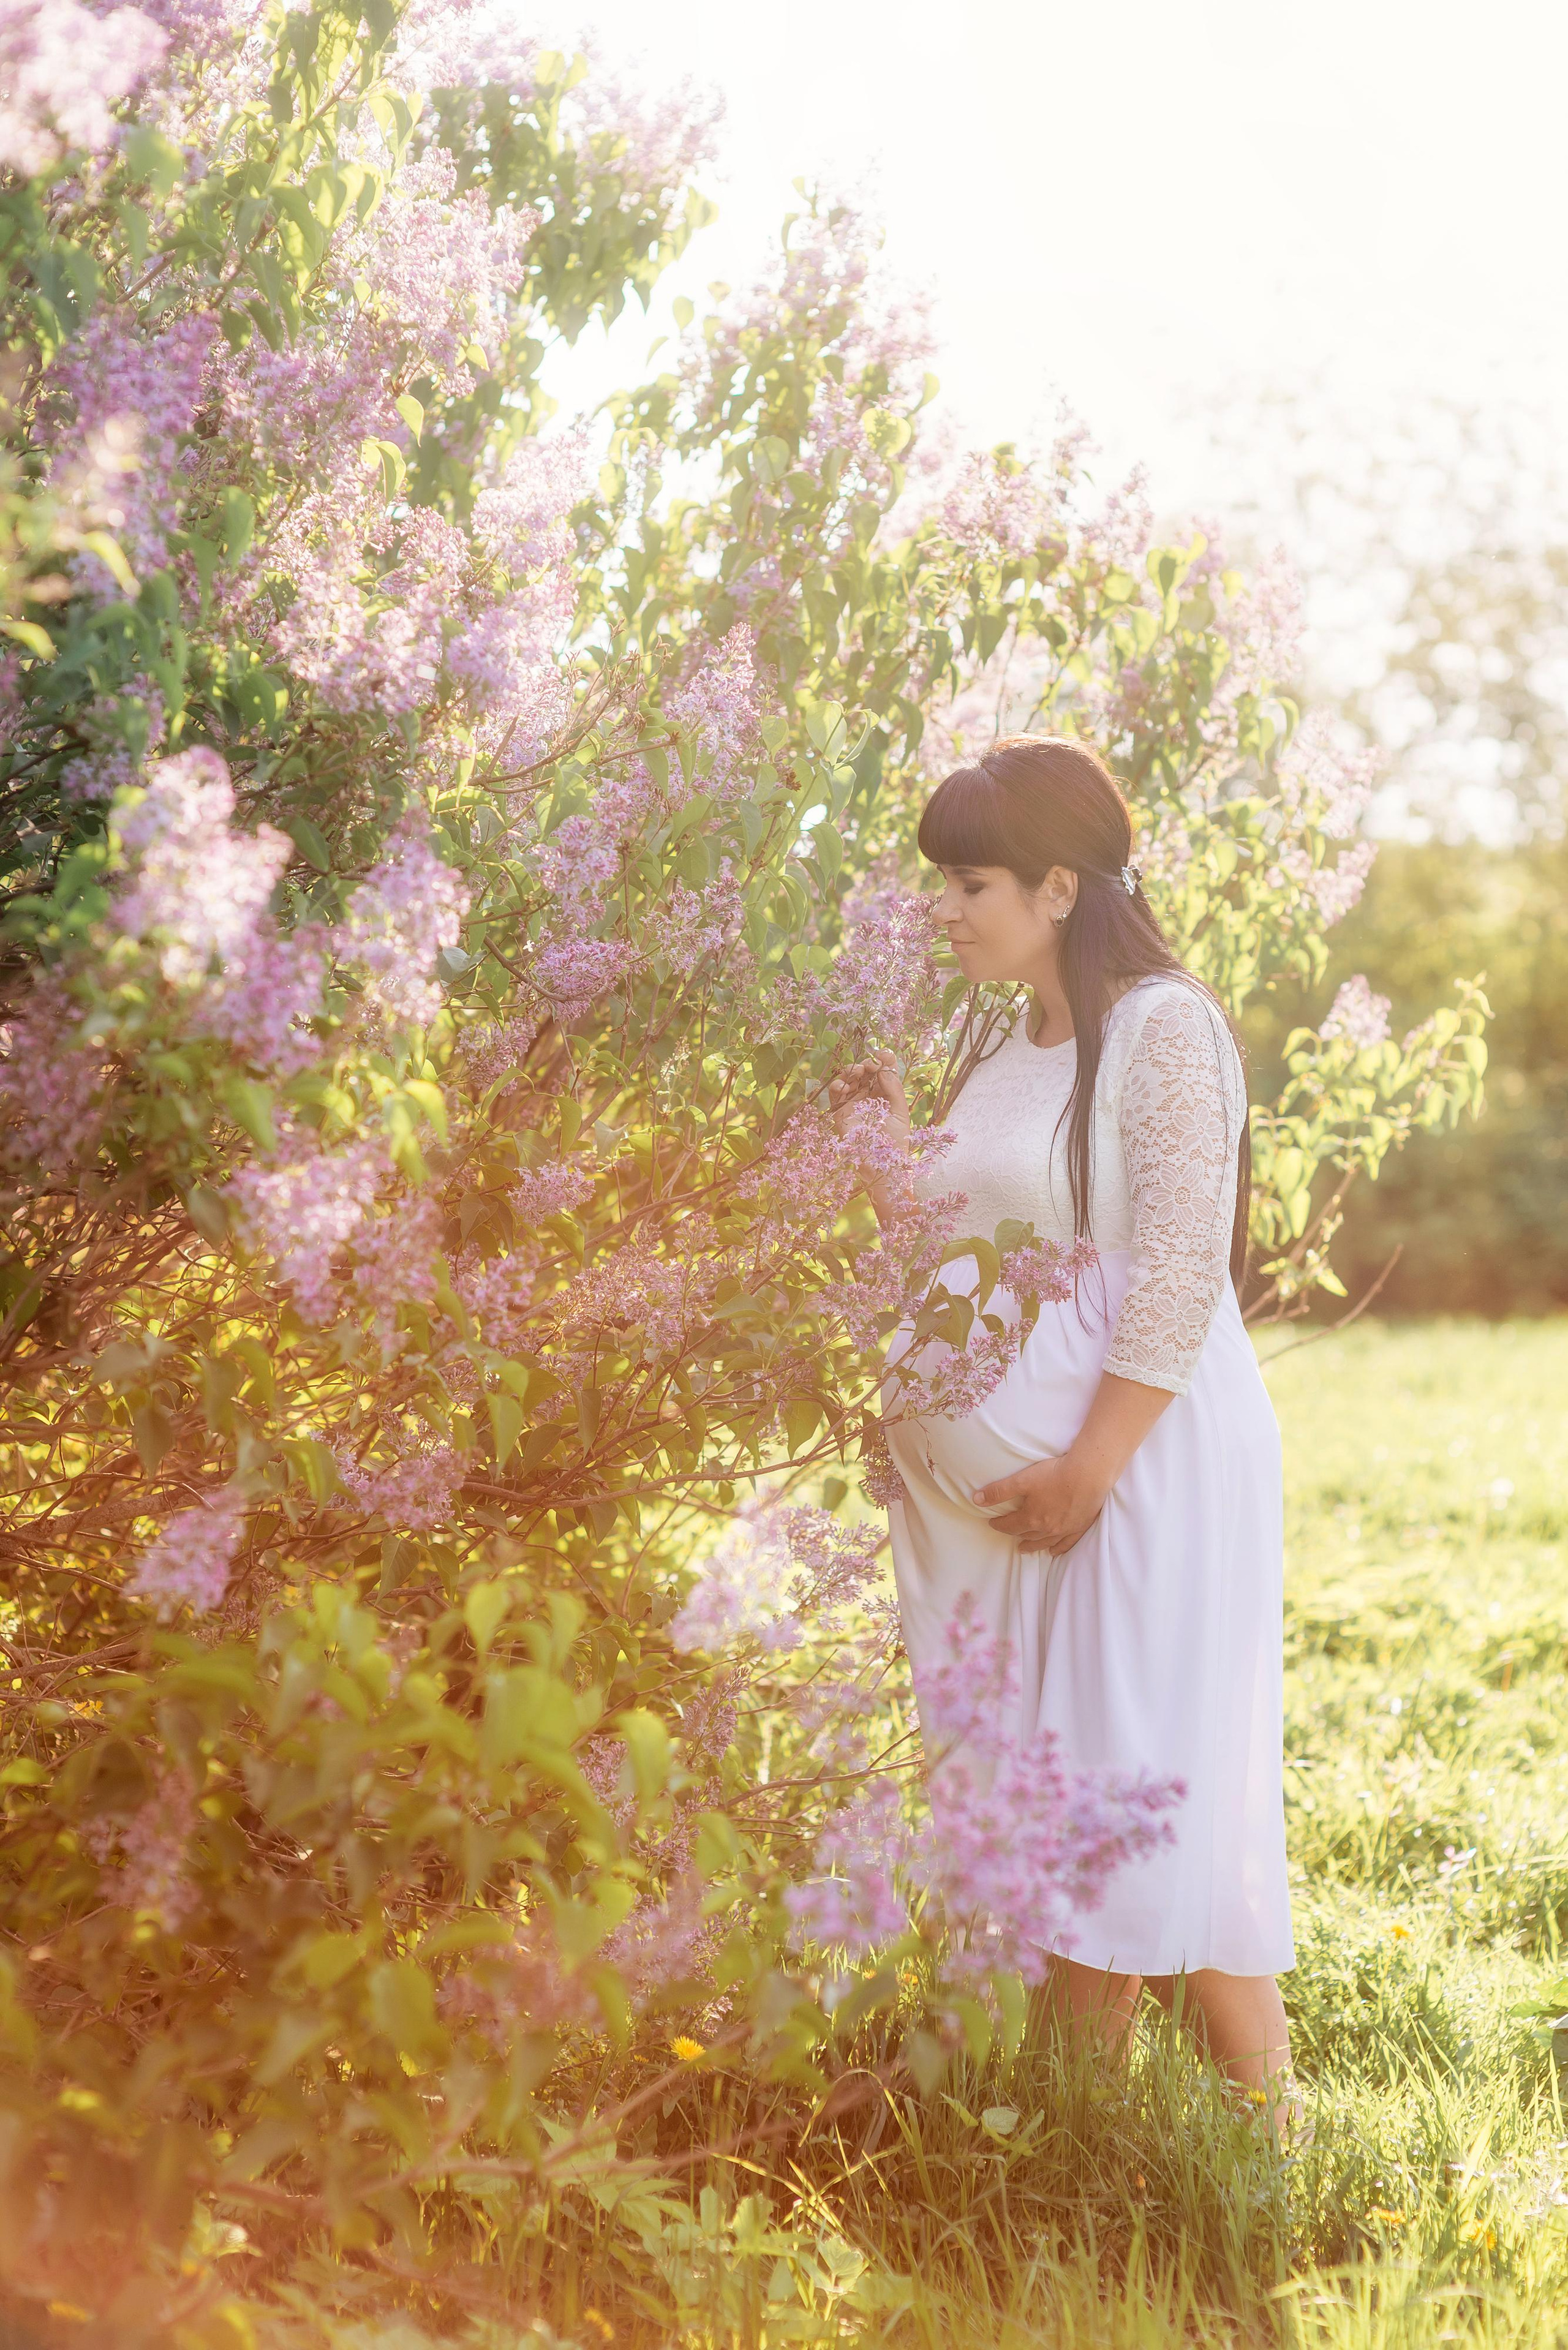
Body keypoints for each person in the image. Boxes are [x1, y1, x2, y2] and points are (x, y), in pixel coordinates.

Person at [829, 735, 1298, 2124]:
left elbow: (1170, 1262)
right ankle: (1091, 2127)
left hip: (1144, 1458)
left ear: (1052, 881)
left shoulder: (1160, 1024)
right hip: (1043, 1487)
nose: (944, 908)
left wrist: (1092, 1459)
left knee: (1131, 1778)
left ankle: (1208, 2136)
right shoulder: (1003, 1041)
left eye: (966, 880)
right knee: (1063, 1786)